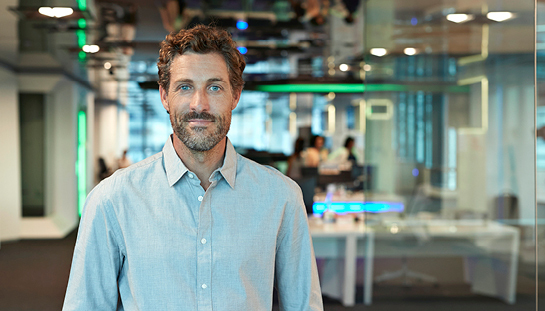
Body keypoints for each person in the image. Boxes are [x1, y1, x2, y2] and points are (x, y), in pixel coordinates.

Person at [63, 25, 323, 311]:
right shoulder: (111, 200)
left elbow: (304, 306)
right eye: (185, 87)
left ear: (235, 95)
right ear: (164, 96)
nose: (200, 104)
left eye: (214, 87)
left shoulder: (281, 197)